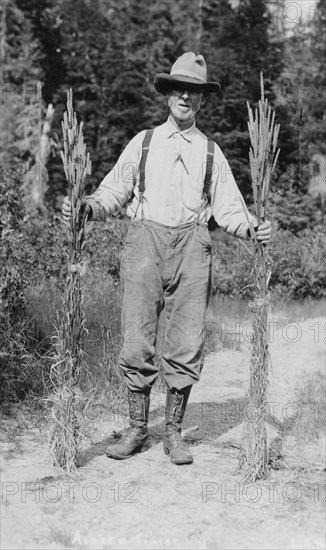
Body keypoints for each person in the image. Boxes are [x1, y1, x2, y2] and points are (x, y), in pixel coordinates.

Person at [62, 52, 272, 466]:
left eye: (194, 92)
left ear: (203, 101)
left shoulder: (211, 152)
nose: (185, 98)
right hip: (144, 242)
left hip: (194, 247)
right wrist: (85, 206)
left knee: (187, 341)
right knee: (137, 337)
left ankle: (173, 432)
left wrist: (252, 228)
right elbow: (112, 192)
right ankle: (138, 428)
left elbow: (230, 209)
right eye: (179, 89)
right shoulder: (143, 143)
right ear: (167, 94)